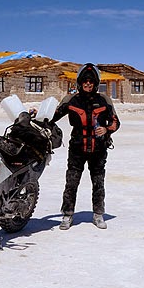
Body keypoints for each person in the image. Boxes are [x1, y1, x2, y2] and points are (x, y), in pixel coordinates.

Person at [51, 63, 120, 230]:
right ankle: (67, 215)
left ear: (96, 83)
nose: (88, 84)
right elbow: (53, 116)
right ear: (80, 82)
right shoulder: (71, 100)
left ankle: (98, 214)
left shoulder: (104, 100)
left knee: (98, 182)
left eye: (91, 81)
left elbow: (115, 122)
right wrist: (37, 114)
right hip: (77, 148)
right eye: (85, 81)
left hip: (98, 149)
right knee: (71, 182)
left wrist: (106, 129)